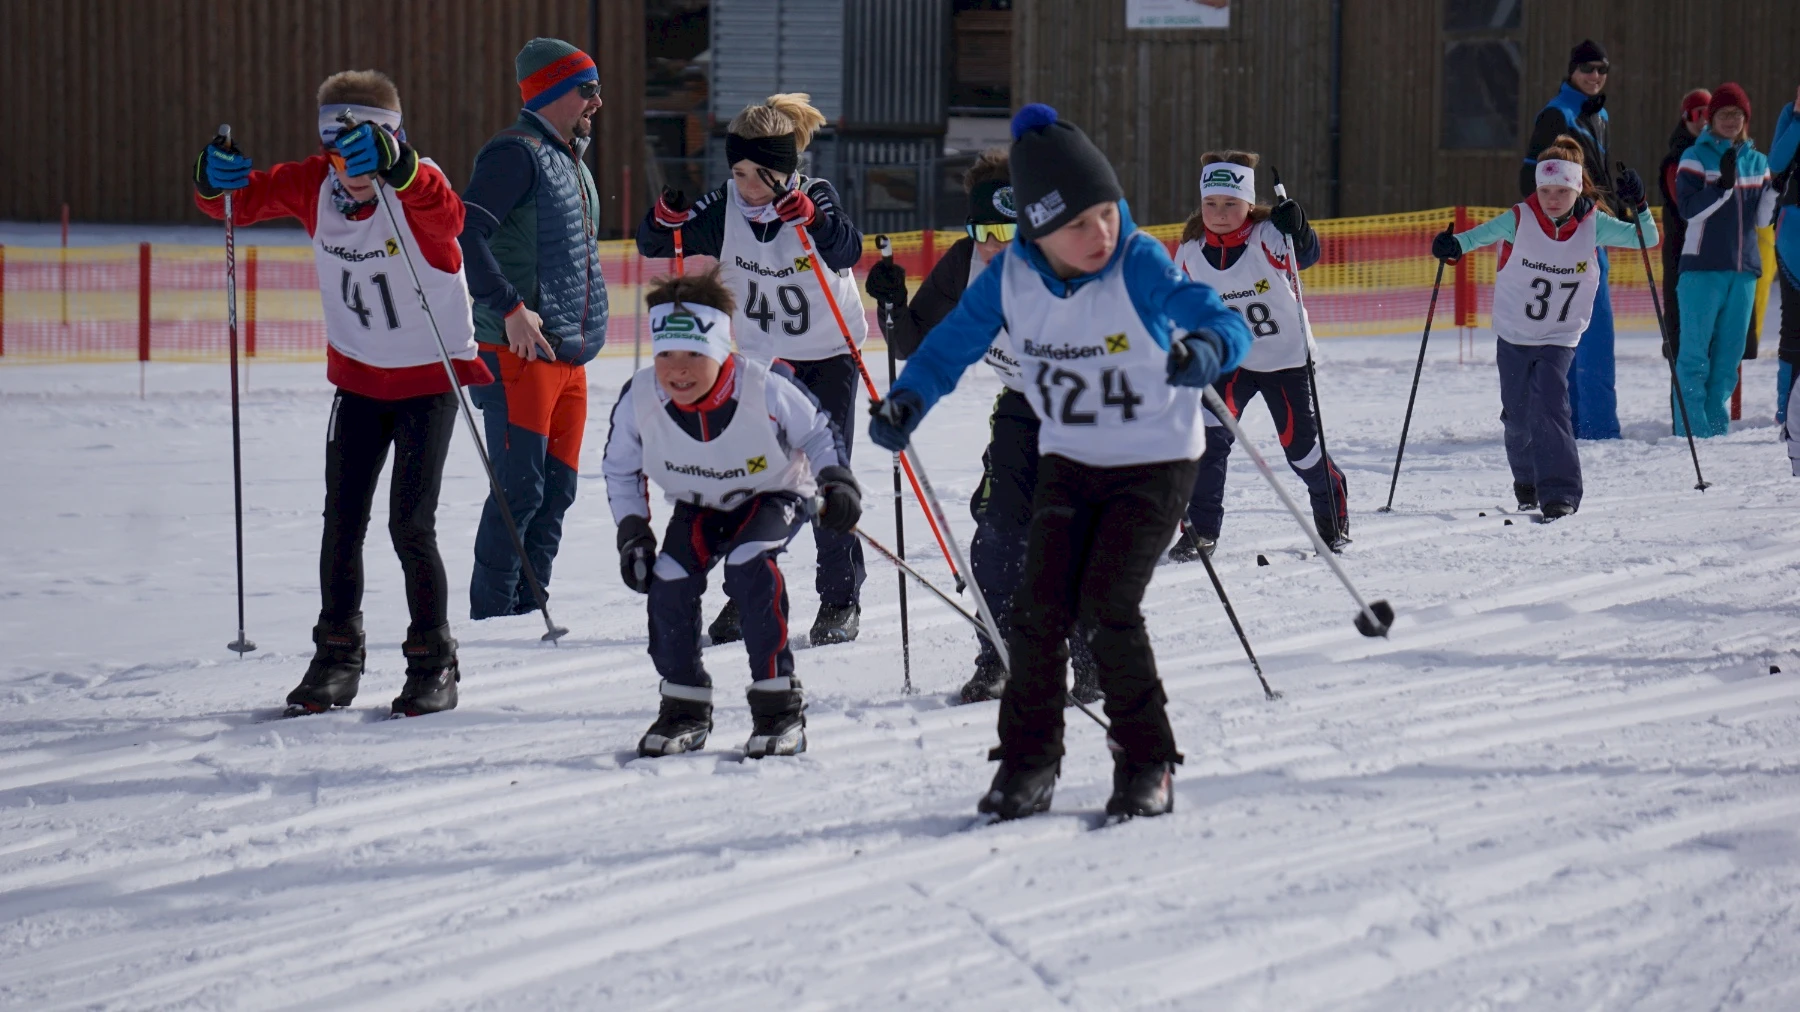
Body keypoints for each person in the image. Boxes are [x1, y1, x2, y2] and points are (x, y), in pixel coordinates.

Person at [869, 104, 1252, 821]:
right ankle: (1030, 763)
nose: (1100, 233)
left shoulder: (1135, 259)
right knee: (1037, 612)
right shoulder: (1011, 276)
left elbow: (1216, 314)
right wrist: (907, 401)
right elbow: (948, 346)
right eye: (1078, 224)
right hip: (1072, 458)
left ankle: (1146, 762)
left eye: (1106, 213)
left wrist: (1209, 347)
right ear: (1036, 229)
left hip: (1153, 462)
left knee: (1108, 607)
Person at [194, 70, 493, 717]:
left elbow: (449, 216)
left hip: (428, 379)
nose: (351, 171)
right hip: (358, 380)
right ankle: (336, 657)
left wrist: (400, 167)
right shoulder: (316, 186)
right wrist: (213, 181)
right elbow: (235, 204)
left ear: (393, 142)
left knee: (409, 524)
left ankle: (433, 662)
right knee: (341, 522)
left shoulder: (416, 185)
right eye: (338, 153)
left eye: (366, 153)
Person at [863, 150, 1100, 706]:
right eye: (981, 231)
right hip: (1021, 406)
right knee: (997, 534)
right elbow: (912, 342)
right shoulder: (964, 263)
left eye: (1007, 232)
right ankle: (999, 655)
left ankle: (1093, 658)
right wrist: (891, 303)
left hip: (1088, 412)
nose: (993, 245)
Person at [637, 94, 869, 648]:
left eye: (761, 176)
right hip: (763, 363)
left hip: (827, 357)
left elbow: (847, 250)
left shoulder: (814, 194)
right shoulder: (725, 206)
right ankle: (749, 593)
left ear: (784, 170)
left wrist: (815, 221)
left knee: (825, 475)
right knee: (752, 478)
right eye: (739, 173)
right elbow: (656, 243)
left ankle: (840, 599)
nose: (748, 187)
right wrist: (664, 217)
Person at [602, 269, 862, 758]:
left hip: (774, 494)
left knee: (749, 566)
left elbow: (818, 431)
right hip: (700, 501)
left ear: (721, 350)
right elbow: (620, 468)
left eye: (693, 355)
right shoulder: (641, 396)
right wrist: (633, 532)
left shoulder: (762, 386)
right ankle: (684, 706)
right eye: (665, 355)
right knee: (669, 579)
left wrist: (837, 481)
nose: (678, 370)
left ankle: (778, 708)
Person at [460, 38, 609, 620]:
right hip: (517, 350)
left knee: (558, 490)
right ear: (551, 91)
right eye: (587, 89)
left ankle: (528, 615)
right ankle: (492, 619)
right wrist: (510, 308)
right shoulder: (514, 154)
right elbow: (467, 232)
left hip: (568, 354)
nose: (598, 101)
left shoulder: (568, 159)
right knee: (520, 488)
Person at [1434, 137, 1656, 518]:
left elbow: (1647, 237)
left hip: (1559, 337)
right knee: (1518, 417)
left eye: (1562, 191)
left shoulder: (1594, 224)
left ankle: (1560, 493)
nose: (1553, 199)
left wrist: (1640, 204)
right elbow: (1473, 238)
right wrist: (1450, 247)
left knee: (1552, 407)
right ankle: (1527, 482)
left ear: (1577, 188)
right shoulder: (1519, 219)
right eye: (1546, 190)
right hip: (1514, 334)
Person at [1171, 150, 1346, 555]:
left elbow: (1306, 256)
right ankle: (1201, 532)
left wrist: (1299, 229)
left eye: (1230, 204)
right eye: (1211, 203)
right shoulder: (1191, 249)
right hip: (1230, 359)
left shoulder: (1266, 234)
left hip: (1285, 359)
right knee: (1206, 441)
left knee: (1301, 453)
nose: (1219, 213)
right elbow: (1181, 301)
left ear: (1249, 204)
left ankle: (1331, 516)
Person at [1521, 40, 1622, 440]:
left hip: (1593, 227)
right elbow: (1531, 177)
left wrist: (1621, 203)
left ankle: (1583, 423)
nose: (1595, 76)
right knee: (1585, 333)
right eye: (1587, 69)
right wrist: (1557, 222)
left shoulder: (1599, 114)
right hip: (1569, 237)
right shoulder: (1557, 114)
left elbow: (1595, 174)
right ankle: (1593, 427)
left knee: (1585, 332)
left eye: (1601, 69)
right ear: (1572, 71)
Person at [1673, 84, 1778, 438]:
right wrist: (1721, 187)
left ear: (1746, 119)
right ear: (1711, 118)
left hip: (1744, 271)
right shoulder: (1694, 157)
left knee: (1728, 359)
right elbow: (1689, 211)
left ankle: (1715, 430)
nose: (1731, 120)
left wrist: (1775, 191)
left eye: (1737, 114)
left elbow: (1761, 221)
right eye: (1723, 114)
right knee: (1694, 356)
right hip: (1702, 270)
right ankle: (1691, 431)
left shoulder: (1758, 161)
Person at [1658, 89, 1712, 360]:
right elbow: (1688, 209)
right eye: (1696, 114)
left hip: (1715, 258)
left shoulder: (1721, 154)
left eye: (1708, 113)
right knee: (1682, 338)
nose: (1702, 120)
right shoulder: (1676, 159)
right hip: (1682, 258)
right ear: (1685, 117)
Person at [1772, 86, 1799, 444]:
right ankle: (1789, 414)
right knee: (1795, 322)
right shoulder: (1790, 113)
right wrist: (1798, 117)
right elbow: (1776, 163)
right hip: (1794, 225)